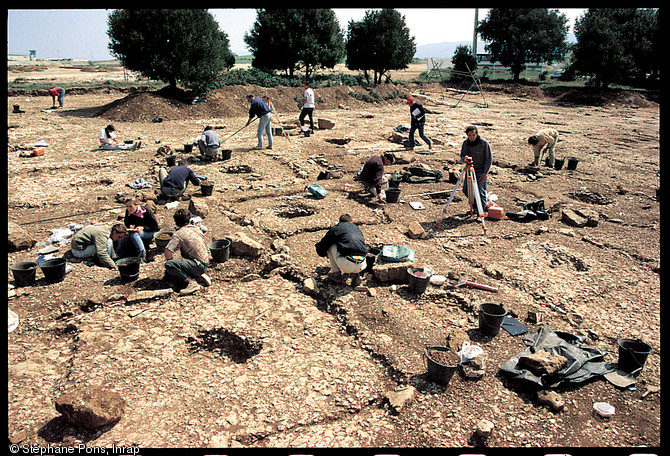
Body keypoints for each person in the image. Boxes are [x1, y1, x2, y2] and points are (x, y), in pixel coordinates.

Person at [163, 208, 212, 295]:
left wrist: (172, 266)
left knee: (170, 265)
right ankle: (197, 275)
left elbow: (168, 252)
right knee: (173, 268)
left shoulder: (179, 234)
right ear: (189, 220)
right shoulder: (196, 229)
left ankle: (191, 282)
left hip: (197, 265)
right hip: (204, 262)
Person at [315, 214, 367, 286]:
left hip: (346, 264)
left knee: (331, 244)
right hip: (362, 264)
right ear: (351, 222)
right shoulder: (357, 229)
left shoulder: (337, 228)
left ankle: (336, 275)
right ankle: (356, 275)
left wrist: (323, 253)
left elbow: (324, 243)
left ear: (340, 222)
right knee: (356, 246)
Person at [460, 125, 492, 213]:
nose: (472, 137)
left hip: (481, 170)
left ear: (476, 134)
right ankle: (476, 206)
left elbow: (489, 158)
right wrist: (464, 159)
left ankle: (480, 212)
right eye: (469, 135)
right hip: (470, 168)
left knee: (480, 191)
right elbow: (462, 155)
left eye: (473, 135)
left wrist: (485, 172)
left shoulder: (483, 143)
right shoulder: (466, 143)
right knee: (466, 190)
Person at [122, 197, 159, 262]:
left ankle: (143, 254)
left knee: (134, 234)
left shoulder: (145, 211)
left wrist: (143, 227)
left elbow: (155, 226)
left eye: (131, 206)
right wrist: (130, 226)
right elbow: (127, 222)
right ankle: (118, 254)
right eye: (127, 206)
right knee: (125, 235)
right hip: (136, 231)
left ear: (136, 205)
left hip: (149, 232)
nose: (129, 208)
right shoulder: (128, 212)